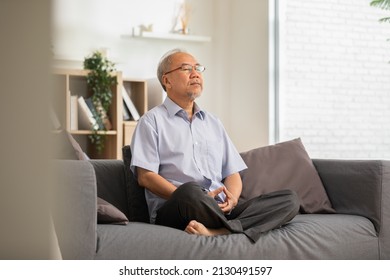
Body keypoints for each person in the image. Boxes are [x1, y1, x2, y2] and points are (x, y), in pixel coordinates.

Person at [130, 48, 299, 242]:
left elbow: (232, 173)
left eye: (198, 68)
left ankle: (220, 231)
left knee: (289, 199)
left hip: (220, 209)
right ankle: (236, 227)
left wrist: (233, 199)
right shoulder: (151, 121)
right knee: (190, 190)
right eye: (186, 69)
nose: (195, 74)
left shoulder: (213, 122)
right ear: (167, 80)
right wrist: (199, 199)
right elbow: (146, 177)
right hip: (180, 206)